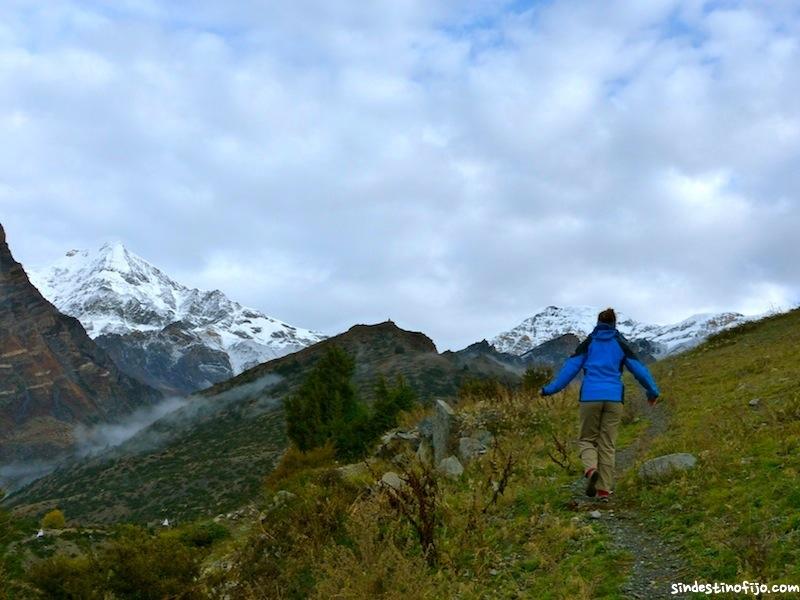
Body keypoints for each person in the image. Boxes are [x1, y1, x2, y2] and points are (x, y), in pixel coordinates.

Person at [539, 308, 659, 501]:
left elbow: (569, 370)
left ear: (598, 322)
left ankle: (590, 469)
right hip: (614, 398)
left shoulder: (589, 343)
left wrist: (548, 390)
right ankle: (603, 490)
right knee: (607, 444)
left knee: (587, 439)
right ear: (614, 323)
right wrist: (652, 392)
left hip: (590, 397)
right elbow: (640, 371)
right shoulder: (621, 344)